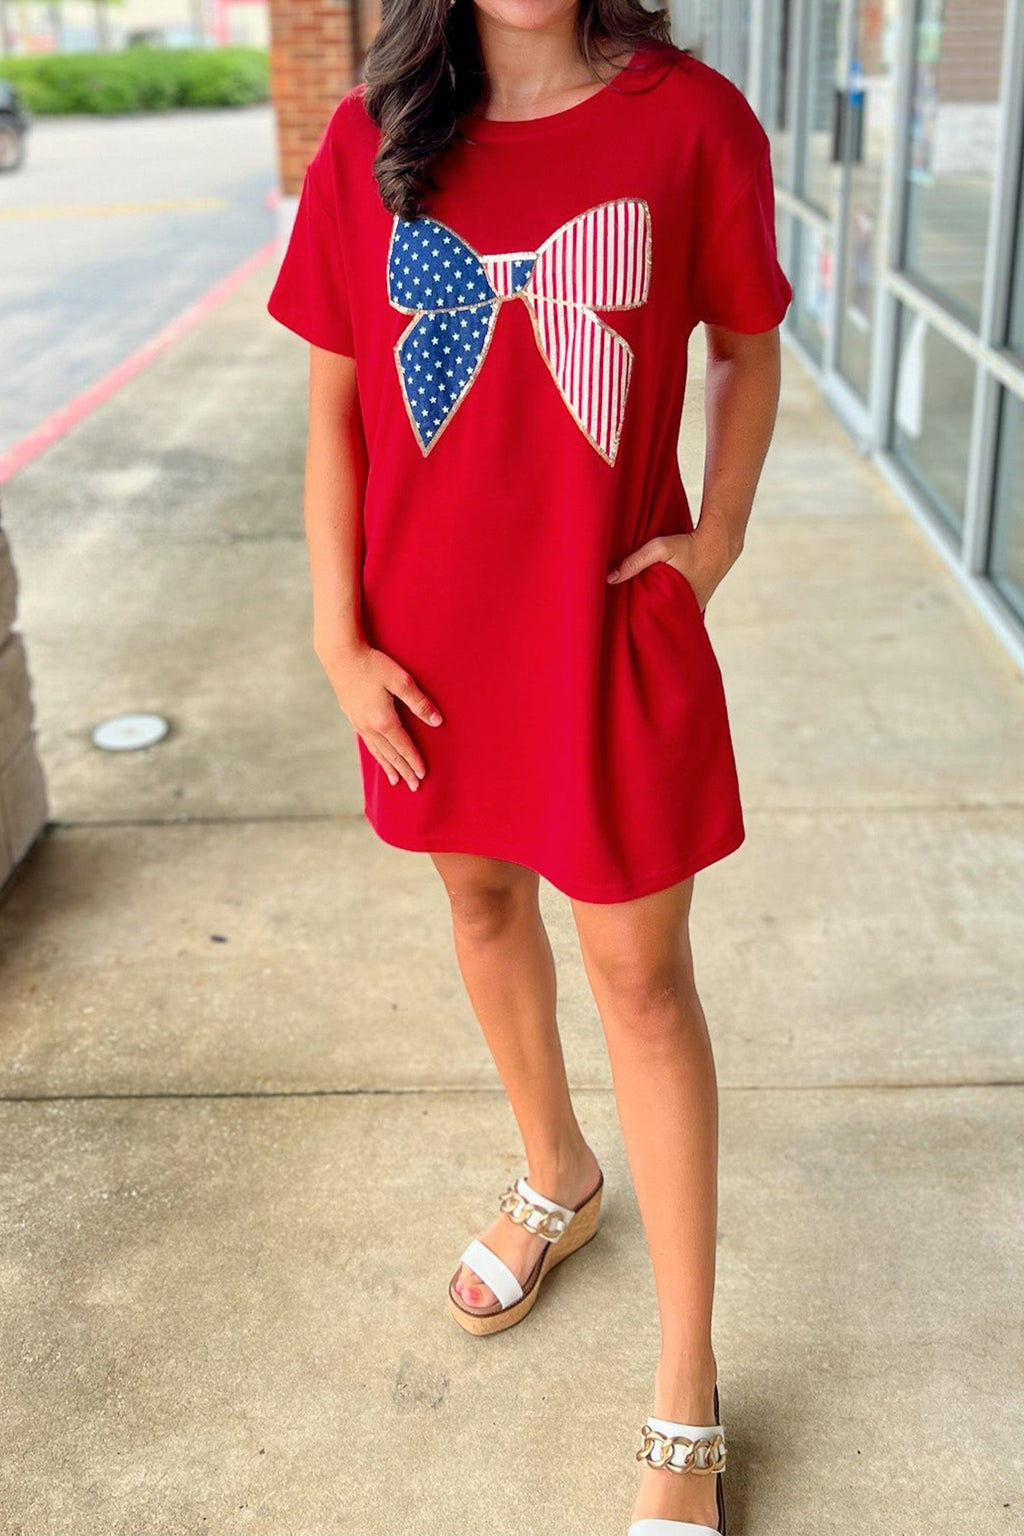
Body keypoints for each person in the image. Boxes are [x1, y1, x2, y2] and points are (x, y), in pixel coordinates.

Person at [266, 3, 792, 1531]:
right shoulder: (374, 138)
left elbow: (746, 353)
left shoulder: (691, 122)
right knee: (482, 909)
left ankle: (685, 1389)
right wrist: (334, 634)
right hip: (427, 643)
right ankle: (556, 1171)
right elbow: (334, 399)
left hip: (606, 626)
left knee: (641, 982)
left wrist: (715, 544)